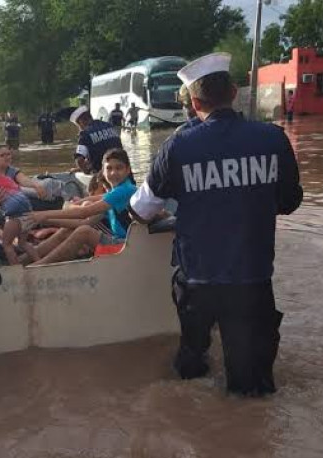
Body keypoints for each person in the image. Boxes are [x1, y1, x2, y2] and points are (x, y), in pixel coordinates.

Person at [128, 52, 303, 397]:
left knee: (192, 370)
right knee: (253, 388)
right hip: (253, 278)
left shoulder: (177, 146)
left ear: (194, 102)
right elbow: (289, 201)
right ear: (234, 92)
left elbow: (141, 210)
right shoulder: (272, 139)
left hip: (198, 280)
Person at [30, 148, 137, 265]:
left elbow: (85, 212)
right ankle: (26, 259)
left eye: (119, 168)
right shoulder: (116, 191)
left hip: (126, 246)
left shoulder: (125, 190)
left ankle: (37, 267)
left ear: (128, 170)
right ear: (103, 171)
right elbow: (86, 214)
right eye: (109, 168)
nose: (113, 173)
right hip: (121, 241)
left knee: (84, 232)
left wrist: (42, 215)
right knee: (70, 230)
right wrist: (47, 219)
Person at [71, 106, 123, 175]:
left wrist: (86, 172)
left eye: (78, 126)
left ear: (81, 122)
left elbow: (79, 160)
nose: (79, 129)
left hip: (105, 175)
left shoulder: (85, 134)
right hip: (122, 171)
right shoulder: (109, 126)